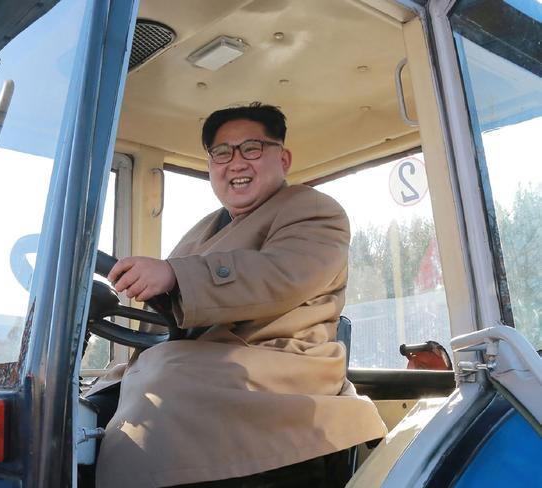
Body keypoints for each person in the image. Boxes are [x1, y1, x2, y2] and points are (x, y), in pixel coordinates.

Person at [92, 103, 387, 487]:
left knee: (162, 381)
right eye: (222, 152)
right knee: (95, 395)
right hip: (208, 361)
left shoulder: (314, 211)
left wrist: (173, 275)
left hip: (279, 362)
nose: (236, 162)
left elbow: (280, 276)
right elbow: (182, 302)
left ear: (283, 159)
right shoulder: (204, 229)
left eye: (251, 149)